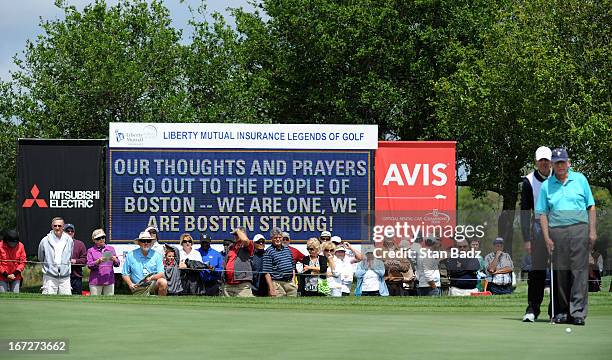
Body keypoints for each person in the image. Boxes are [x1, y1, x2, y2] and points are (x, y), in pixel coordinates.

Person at [536, 148, 596, 326]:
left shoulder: (580, 179)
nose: (560, 165)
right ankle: (562, 312)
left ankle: (577, 312)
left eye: (563, 162)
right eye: (557, 162)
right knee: (560, 272)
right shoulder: (547, 185)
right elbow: (543, 214)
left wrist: (592, 231)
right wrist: (546, 237)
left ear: (568, 163)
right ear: (552, 164)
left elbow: (590, 206)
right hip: (557, 231)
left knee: (579, 272)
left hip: (579, 229)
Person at [521, 146, 552, 322]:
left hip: (558, 225)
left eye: (546, 160)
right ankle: (532, 309)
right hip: (538, 227)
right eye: (541, 160)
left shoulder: (559, 178)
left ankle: (555, 310)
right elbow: (525, 212)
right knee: (537, 271)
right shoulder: (528, 181)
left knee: (558, 271)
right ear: (536, 162)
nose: (544, 163)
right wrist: (526, 239)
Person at [122, 231, 167, 296]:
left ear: (151, 243)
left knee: (163, 282)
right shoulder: (130, 255)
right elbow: (125, 274)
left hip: (152, 284)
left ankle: (161, 303)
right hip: (137, 287)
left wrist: (151, 278)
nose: (146, 243)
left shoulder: (157, 255)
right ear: (139, 243)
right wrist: (130, 284)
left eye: (148, 241)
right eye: (143, 241)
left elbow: (161, 274)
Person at [38, 217, 74, 295]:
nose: (57, 228)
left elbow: (70, 255)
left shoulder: (69, 240)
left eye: (59, 226)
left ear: (63, 226)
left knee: (66, 301)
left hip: (65, 276)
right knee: (48, 300)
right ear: (52, 226)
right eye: (55, 226)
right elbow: (41, 257)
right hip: (49, 276)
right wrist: (49, 267)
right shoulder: (45, 240)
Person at [263, 227, 297, 297]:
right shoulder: (268, 251)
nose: (278, 239)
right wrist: (271, 288)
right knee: (279, 305)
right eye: (275, 238)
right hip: (277, 283)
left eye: (279, 237)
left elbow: (293, 266)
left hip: (290, 282)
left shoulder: (287, 249)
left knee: (294, 305)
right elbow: (267, 273)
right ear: (271, 239)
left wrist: (293, 281)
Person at [222, 228, 255, 297]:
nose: (236, 236)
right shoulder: (231, 246)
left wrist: (238, 230)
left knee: (245, 306)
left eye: (237, 234)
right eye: (235, 235)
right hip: (228, 284)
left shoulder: (248, 245)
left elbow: (245, 240)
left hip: (242, 285)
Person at [86, 229, 120, 295]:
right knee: (95, 303)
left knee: (109, 303)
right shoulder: (90, 250)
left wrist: (114, 260)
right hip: (95, 281)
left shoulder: (111, 248)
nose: (101, 239)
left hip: (109, 280)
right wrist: (98, 261)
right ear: (94, 240)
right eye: (98, 238)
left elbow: (118, 264)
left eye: (103, 237)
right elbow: (89, 265)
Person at [64, 223, 87, 295]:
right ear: (63, 232)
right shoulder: (59, 243)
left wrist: (75, 261)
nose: (70, 232)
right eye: (68, 231)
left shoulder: (80, 244)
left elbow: (84, 260)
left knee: (77, 299)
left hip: (76, 277)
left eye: (72, 231)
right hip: (62, 277)